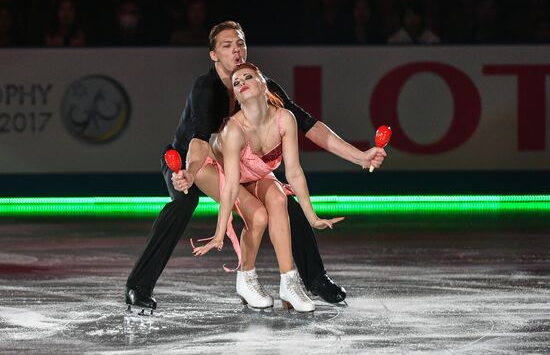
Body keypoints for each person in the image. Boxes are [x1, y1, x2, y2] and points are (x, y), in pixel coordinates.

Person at [125, 21, 386, 313]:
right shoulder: (206, 88)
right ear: (214, 55)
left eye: (240, 43)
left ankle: (313, 279)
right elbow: (198, 142)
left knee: (283, 200)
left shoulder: (262, 85)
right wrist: (186, 173)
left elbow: (309, 126)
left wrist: (361, 157)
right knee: (184, 203)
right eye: (227, 45)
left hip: (239, 163)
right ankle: (139, 285)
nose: (236, 50)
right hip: (190, 161)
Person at [185, 62, 344, 312]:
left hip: (252, 170)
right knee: (258, 216)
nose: (241, 83)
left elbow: (294, 172)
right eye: (236, 83)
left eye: (248, 77)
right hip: (215, 170)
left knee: (280, 199)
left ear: (263, 83)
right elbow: (230, 188)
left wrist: (312, 217)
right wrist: (218, 233)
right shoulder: (234, 130)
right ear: (236, 95)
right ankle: (246, 279)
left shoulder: (285, 118)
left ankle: (289, 283)